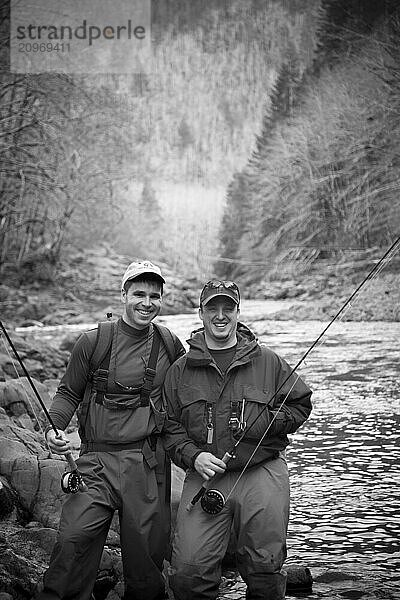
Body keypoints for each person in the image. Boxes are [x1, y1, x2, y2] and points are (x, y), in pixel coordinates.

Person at [38, 260, 193, 600]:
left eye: (155, 296)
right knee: (72, 540)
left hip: (148, 465)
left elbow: (192, 392)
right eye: (139, 293)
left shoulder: (170, 345)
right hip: (94, 463)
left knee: (147, 566)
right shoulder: (92, 342)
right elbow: (67, 392)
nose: (147, 303)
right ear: (123, 294)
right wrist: (54, 426)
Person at [163, 279, 313, 600]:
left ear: (237, 312)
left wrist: (268, 423)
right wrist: (193, 456)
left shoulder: (268, 361)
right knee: (188, 574)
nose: (220, 315)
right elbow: (169, 426)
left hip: (262, 471)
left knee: (264, 567)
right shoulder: (180, 371)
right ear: (200, 314)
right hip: (207, 477)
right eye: (212, 308)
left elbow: (300, 404)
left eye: (227, 308)